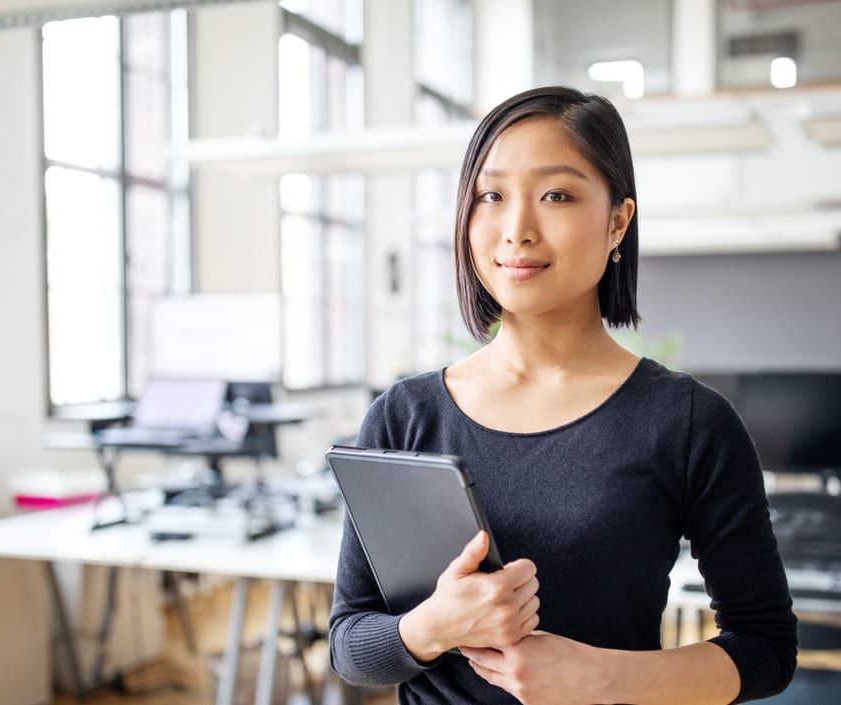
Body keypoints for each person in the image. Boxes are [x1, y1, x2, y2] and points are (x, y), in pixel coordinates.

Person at [329, 86, 797, 705]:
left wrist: (604, 680)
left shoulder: (687, 423)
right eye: (491, 196)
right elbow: (350, 643)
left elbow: (767, 649)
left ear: (617, 221)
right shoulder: (405, 417)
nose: (516, 230)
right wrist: (435, 626)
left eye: (556, 195)